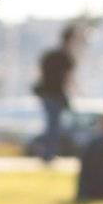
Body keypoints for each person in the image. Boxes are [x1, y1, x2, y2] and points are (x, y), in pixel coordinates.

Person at [34, 24, 79, 163]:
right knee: (54, 125)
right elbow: (68, 79)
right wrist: (76, 92)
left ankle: (46, 152)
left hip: (46, 94)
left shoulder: (50, 55)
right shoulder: (66, 57)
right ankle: (48, 154)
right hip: (56, 94)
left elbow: (40, 74)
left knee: (51, 124)